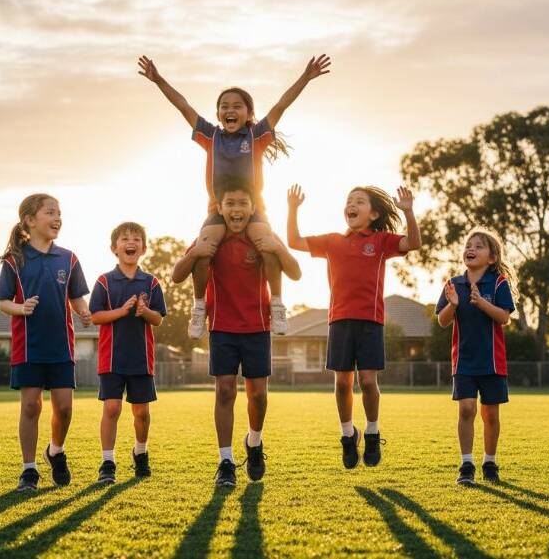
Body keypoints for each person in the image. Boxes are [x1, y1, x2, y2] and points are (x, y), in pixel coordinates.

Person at [139, 54, 330, 338]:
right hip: (218, 209)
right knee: (204, 249)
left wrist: (305, 77)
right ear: (218, 115)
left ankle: (276, 304)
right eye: (224, 106)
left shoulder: (256, 137)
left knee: (268, 245)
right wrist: (158, 80)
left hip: (255, 209)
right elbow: (183, 106)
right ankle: (199, 305)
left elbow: (281, 105)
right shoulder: (210, 136)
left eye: (237, 106)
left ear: (249, 114)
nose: (230, 110)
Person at [173, 176, 301, 487]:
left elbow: (295, 272)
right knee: (225, 392)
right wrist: (193, 252)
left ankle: (254, 443)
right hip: (222, 328)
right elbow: (178, 276)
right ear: (220, 207)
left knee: (257, 396)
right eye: (230, 203)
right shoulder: (211, 238)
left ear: (253, 207)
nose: (237, 209)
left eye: (243, 203)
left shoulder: (262, 237)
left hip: (257, 327)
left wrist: (279, 249)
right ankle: (226, 461)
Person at [287, 183, 420, 469]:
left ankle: (372, 432)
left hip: (371, 322)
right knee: (342, 384)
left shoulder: (381, 241)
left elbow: (413, 243)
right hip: (339, 321)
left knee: (368, 382)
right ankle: (348, 435)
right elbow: (294, 241)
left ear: (373, 214)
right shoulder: (333, 241)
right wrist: (292, 209)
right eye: (349, 201)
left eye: (359, 201)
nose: (352, 205)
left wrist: (408, 212)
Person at [0, 193, 91, 492]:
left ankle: (55, 451)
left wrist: (84, 312)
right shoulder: (15, 260)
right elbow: (2, 302)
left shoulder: (69, 258)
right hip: (28, 347)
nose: (57, 218)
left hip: (61, 346)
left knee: (63, 409)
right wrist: (20, 308)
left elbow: (76, 298)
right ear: (29, 220)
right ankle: (29, 471)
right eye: (50, 212)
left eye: (59, 213)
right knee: (31, 407)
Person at [435, 228, 518, 485]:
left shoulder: (499, 283)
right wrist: (453, 304)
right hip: (463, 361)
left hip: (493, 361)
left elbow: (504, 317)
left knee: (490, 415)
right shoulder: (453, 285)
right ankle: (466, 464)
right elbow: (442, 321)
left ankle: (490, 462)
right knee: (467, 409)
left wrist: (481, 302)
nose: (471, 249)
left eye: (479, 246)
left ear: (492, 257)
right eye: (468, 245)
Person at [89, 222, 166, 484]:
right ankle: (107, 463)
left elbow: (159, 320)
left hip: (141, 359)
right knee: (111, 408)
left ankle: (140, 452)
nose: (130, 242)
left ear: (143, 248)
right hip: (111, 358)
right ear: (114, 248)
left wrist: (146, 312)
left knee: (141, 413)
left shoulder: (152, 282)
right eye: (124, 238)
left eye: (135, 239)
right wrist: (122, 311)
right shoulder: (104, 281)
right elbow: (96, 316)